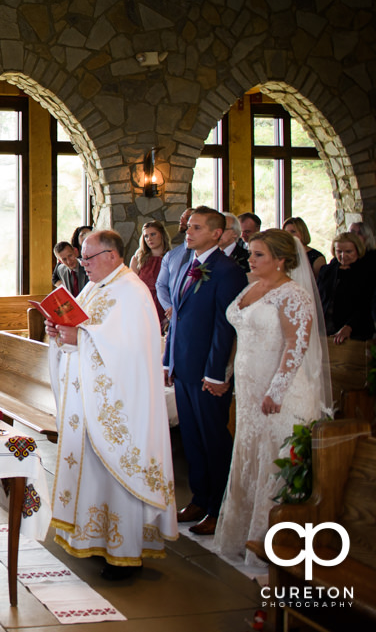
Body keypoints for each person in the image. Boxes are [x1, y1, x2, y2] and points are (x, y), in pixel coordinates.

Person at [45, 230, 177, 580]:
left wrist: (79, 337)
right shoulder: (96, 286)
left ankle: (124, 550)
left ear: (113, 255)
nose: (83, 265)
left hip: (121, 406)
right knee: (94, 471)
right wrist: (58, 330)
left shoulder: (130, 291)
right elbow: (83, 330)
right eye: (82, 258)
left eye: (88, 258)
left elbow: (128, 350)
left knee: (117, 472)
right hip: (90, 401)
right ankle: (93, 537)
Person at [210, 230, 332, 568]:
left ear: (281, 259)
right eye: (251, 253)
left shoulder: (293, 295)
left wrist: (276, 391)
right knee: (249, 456)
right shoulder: (251, 287)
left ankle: (278, 546)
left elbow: (296, 344)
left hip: (279, 393)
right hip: (249, 390)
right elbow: (243, 336)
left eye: (259, 255)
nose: (251, 259)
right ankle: (243, 537)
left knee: (274, 460)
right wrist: (228, 374)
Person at [163, 206, 248, 536]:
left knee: (213, 438)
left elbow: (224, 327)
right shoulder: (188, 264)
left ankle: (218, 507)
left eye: (197, 228)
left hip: (206, 372)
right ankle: (199, 498)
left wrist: (215, 373)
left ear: (216, 233)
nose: (189, 231)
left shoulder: (227, 270)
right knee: (192, 437)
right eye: (189, 227)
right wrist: (168, 361)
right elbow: (177, 319)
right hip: (183, 367)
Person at [317, 232, 375, 344]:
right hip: (325, 330)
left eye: (348, 251)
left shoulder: (367, 273)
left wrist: (349, 326)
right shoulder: (326, 271)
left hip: (356, 332)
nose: (343, 256)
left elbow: (366, 305)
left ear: (358, 250)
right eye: (339, 251)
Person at [130, 220, 170, 322]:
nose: (149, 239)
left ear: (162, 235)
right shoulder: (138, 259)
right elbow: (132, 287)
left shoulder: (171, 258)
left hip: (164, 305)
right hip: (143, 305)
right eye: (146, 236)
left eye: (153, 234)